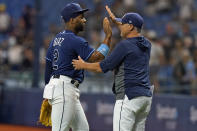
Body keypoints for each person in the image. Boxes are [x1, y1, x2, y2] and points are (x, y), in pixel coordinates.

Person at [72, 6, 153, 131]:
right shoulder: (146, 44)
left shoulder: (125, 45)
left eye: (123, 24)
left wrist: (83, 65)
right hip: (145, 97)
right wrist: (119, 21)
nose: (119, 26)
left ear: (130, 27)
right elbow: (133, 34)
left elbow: (102, 67)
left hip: (129, 96)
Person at [44, 3, 112, 131]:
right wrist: (108, 37)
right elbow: (97, 58)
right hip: (64, 89)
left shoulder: (56, 39)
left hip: (60, 88)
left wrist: (48, 91)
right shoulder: (74, 40)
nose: (84, 19)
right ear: (71, 19)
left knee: (82, 129)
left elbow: (48, 66)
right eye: (81, 17)